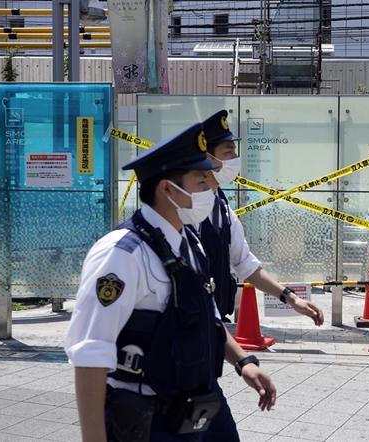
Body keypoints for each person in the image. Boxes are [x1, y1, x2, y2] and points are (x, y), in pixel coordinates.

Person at [65, 122, 276, 442]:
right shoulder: (122, 253)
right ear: (167, 189)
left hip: (197, 408)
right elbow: (90, 354)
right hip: (147, 420)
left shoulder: (189, 242)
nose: (210, 187)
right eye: (201, 180)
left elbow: (208, 318)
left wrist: (244, 361)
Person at [196, 109, 324, 326]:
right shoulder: (186, 210)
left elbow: (246, 265)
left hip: (212, 324)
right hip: (189, 324)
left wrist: (291, 298)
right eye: (228, 152)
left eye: (235, 152)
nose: (236, 159)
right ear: (208, 158)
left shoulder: (224, 210)